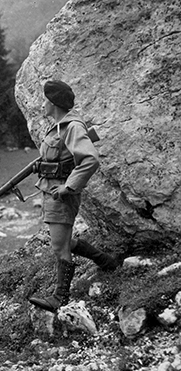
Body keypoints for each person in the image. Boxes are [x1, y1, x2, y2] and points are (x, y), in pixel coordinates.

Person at [29, 80, 122, 313]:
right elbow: (59, 156)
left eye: (44, 100)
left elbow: (90, 159)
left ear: (53, 103)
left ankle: (60, 297)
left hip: (60, 194)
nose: (42, 104)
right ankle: (106, 261)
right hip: (51, 191)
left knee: (59, 247)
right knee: (63, 241)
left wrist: (69, 187)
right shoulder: (59, 127)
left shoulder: (72, 127)